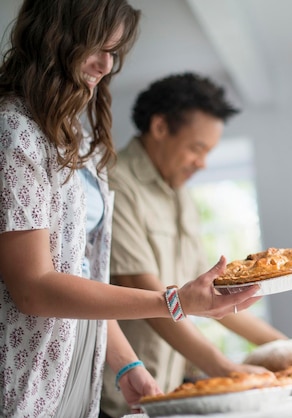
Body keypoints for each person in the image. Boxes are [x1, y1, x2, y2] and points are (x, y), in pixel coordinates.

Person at [0, 2, 260, 417]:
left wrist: (126, 363)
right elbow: (34, 288)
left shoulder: (76, 141)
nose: (105, 65)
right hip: (26, 377)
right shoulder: (14, 132)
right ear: (54, 35)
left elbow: (79, 274)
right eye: (97, 47)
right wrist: (174, 302)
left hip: (78, 370)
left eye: (114, 52)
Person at [100, 72, 292, 418]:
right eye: (197, 148)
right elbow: (144, 290)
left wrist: (289, 350)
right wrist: (223, 367)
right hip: (120, 397)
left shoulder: (179, 193)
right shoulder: (117, 183)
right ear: (160, 128)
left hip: (170, 390)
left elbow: (212, 296)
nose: (203, 163)